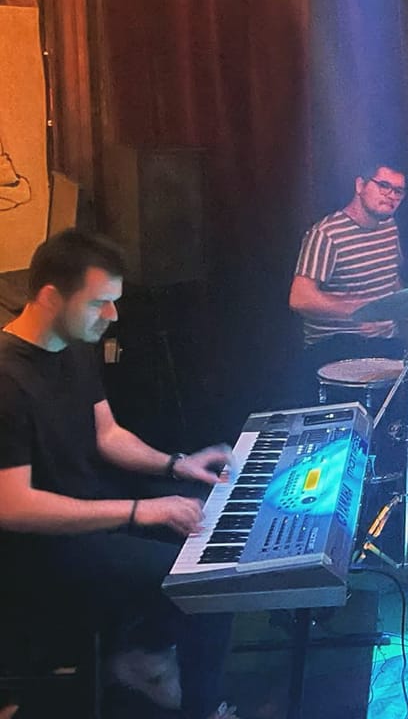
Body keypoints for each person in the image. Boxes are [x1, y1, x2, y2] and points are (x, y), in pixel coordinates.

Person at [0, 229, 235, 718]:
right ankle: (196, 702)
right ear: (50, 297)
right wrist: (139, 510)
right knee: (205, 582)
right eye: (99, 303)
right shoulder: (6, 378)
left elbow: (106, 433)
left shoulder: (72, 345)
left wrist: (177, 464)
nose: (113, 315)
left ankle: (139, 652)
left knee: (206, 520)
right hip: (38, 549)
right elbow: (14, 506)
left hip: (89, 507)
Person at [289, 159, 408, 401]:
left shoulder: (389, 227)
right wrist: (361, 311)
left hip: (384, 344)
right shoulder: (326, 234)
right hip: (335, 348)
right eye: (383, 186)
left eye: (398, 191)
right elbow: (300, 298)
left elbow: (390, 279)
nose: (391, 195)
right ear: (360, 185)